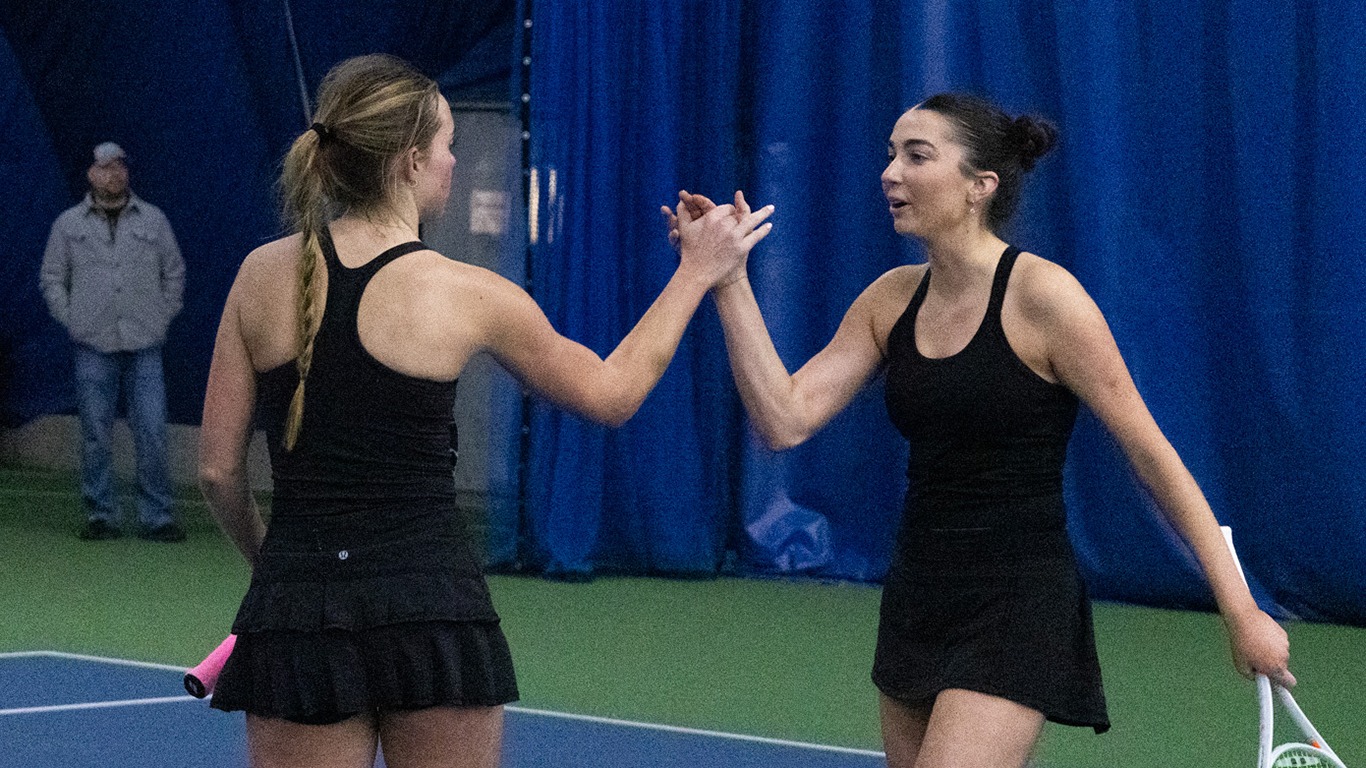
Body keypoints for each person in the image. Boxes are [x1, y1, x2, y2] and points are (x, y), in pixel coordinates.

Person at [666, 93, 1293, 767]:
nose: (890, 173)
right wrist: (728, 282)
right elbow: (783, 418)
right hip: (918, 593)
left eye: (917, 155)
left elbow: (1152, 456)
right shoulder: (889, 300)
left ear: (979, 185)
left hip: (1019, 598)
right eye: (889, 155)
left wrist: (1241, 610)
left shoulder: (1048, 300)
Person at [197, 54, 770, 768]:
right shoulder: (468, 292)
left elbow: (219, 471)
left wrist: (272, 568)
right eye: (446, 146)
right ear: (409, 162)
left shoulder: (258, 275)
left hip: (298, 610)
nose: (452, 162)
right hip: (433, 610)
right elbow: (610, 392)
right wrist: (697, 272)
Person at [40, 141, 186, 542]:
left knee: (153, 430)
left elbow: (174, 273)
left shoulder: (154, 221)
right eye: (104, 167)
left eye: (119, 166)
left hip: (144, 345)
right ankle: (100, 514)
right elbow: (52, 277)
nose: (112, 174)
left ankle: (157, 516)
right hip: (92, 345)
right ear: (91, 174)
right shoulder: (68, 225)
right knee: (94, 432)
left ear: (127, 172)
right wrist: (72, 318)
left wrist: (162, 314)